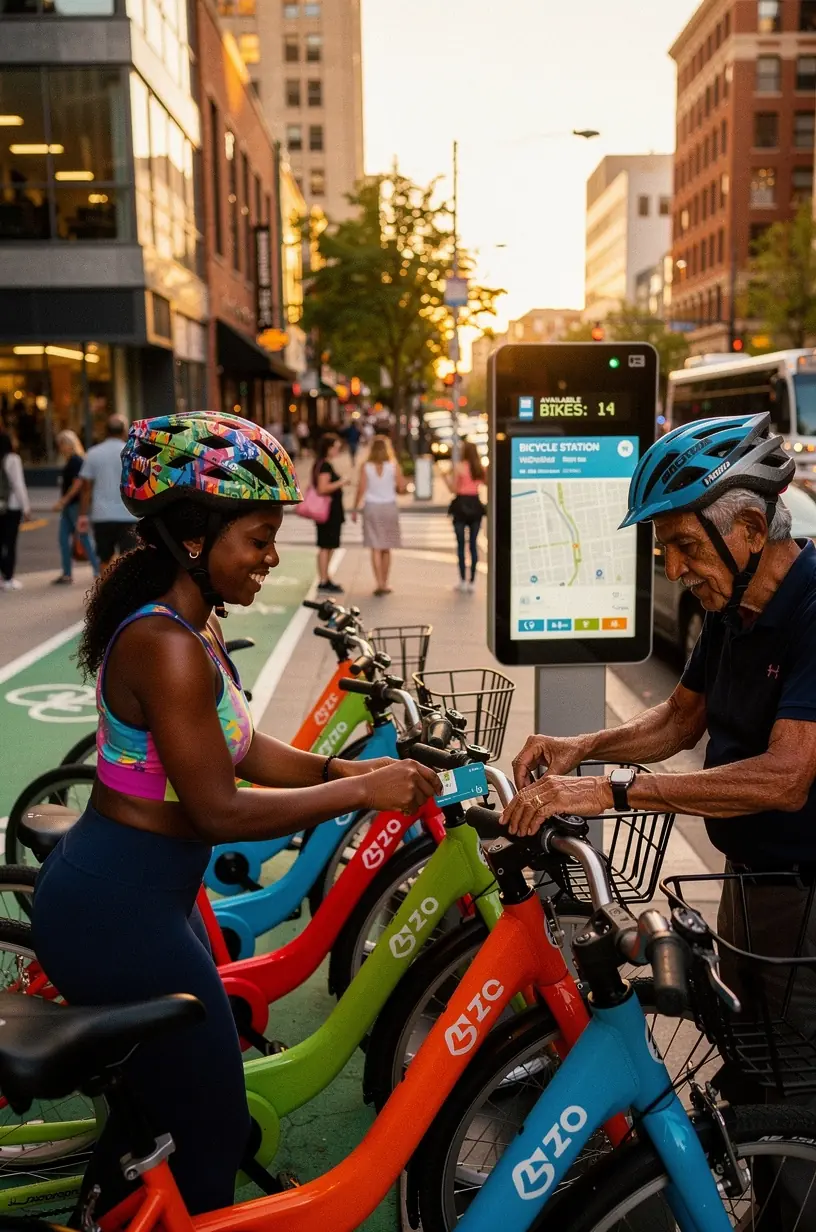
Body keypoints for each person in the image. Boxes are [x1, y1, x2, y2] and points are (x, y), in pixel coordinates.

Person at [31, 411, 440, 1218]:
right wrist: (359, 793)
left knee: (166, 1115)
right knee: (212, 1129)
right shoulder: (165, 646)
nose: (270, 557)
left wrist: (342, 766)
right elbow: (217, 808)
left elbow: (245, 750)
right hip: (115, 909)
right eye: (257, 538)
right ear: (196, 540)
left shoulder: (193, 623)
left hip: (147, 899)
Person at [503, 412, 816, 1072]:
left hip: (807, 896)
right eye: (663, 548)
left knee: (795, 1084)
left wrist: (608, 790)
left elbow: (786, 777)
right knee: (749, 1061)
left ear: (753, 530)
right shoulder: (735, 608)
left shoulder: (811, 609)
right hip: (749, 881)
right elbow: (678, 721)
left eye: (685, 545)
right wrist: (580, 747)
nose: (673, 569)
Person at [77, 414, 138, 573]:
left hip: (102, 515)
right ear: (125, 431)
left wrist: (83, 515)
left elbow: (86, 488)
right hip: (129, 514)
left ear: (106, 431)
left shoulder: (93, 453)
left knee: (104, 559)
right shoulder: (132, 452)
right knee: (130, 559)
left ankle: (103, 591)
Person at [352, 434, 405, 595]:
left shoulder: (365, 466)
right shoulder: (394, 465)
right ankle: (386, 583)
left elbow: (361, 489)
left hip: (372, 507)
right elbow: (401, 487)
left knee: (375, 546)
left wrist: (355, 508)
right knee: (386, 547)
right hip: (389, 506)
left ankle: (379, 583)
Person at [51, 429, 100, 584]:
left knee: (84, 537)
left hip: (74, 505)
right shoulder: (72, 460)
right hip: (69, 507)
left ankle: (98, 570)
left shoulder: (76, 461)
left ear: (69, 444)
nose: (60, 448)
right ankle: (67, 573)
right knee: (63, 539)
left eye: (61, 444)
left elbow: (78, 483)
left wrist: (63, 501)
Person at [445, 441, 486, 593]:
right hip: (475, 505)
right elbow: (486, 483)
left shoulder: (460, 467)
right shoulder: (479, 468)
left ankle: (462, 580)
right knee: (473, 545)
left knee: (461, 545)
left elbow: (453, 489)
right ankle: (473, 581)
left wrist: (445, 478)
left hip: (461, 505)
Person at [314, 431, 348, 593]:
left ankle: (325, 577)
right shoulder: (325, 465)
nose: (337, 451)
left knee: (328, 545)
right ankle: (324, 579)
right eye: (335, 448)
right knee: (326, 546)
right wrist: (341, 482)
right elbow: (322, 488)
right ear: (328, 448)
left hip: (329, 512)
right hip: (328, 512)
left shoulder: (321, 463)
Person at [0, 431, 31, 592]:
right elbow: (18, 484)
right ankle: (8, 578)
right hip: (11, 506)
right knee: (10, 543)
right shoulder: (13, 459)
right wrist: (26, 507)